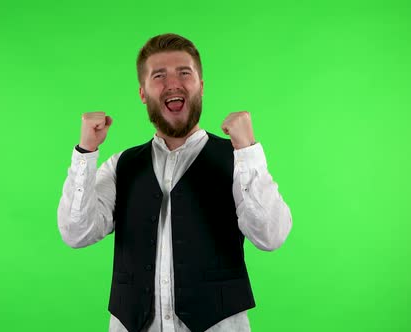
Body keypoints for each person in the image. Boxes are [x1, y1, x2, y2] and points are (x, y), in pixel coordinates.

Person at [57, 33, 292, 332]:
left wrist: (247, 150)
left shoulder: (239, 161)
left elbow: (271, 236)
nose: (173, 83)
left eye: (184, 73)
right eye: (159, 75)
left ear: (201, 86)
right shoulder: (121, 166)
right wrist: (86, 152)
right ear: (143, 93)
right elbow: (76, 234)